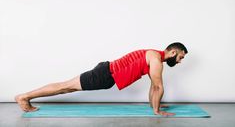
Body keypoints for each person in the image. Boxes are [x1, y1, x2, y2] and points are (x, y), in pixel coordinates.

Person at [15, 42, 188, 116]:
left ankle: (25, 97)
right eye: (180, 57)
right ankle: (24, 97)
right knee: (65, 86)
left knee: (66, 86)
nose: (180, 61)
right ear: (173, 52)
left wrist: (154, 105)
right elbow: (157, 87)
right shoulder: (156, 60)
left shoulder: (153, 56)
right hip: (105, 75)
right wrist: (157, 111)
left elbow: (153, 86)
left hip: (106, 72)